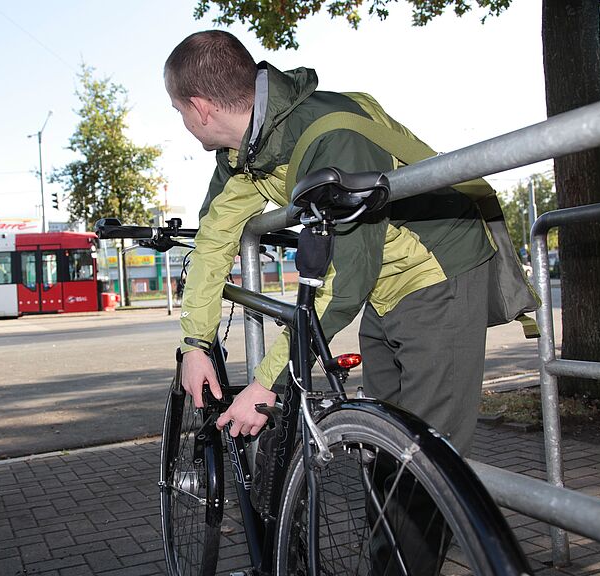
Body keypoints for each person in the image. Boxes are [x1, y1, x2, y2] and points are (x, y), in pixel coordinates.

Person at [163, 30, 496, 459]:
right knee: (384, 444)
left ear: (201, 108)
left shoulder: (332, 137)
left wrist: (267, 383)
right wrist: (195, 345)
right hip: (383, 283)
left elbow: (345, 276)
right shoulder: (244, 154)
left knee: (426, 457)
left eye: (179, 111)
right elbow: (213, 242)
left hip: (437, 270)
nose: (183, 123)